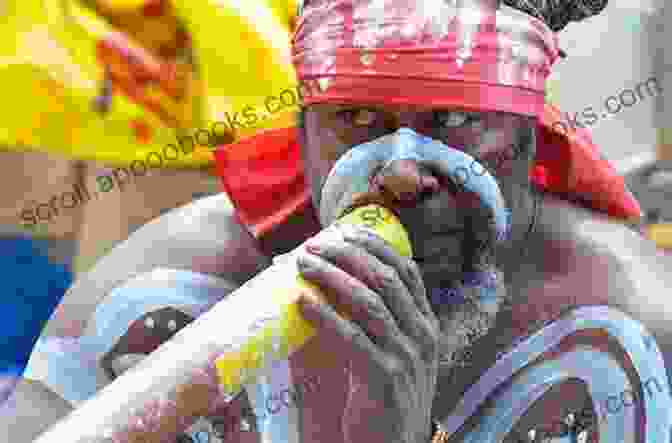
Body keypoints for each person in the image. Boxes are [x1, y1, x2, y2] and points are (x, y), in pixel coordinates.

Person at [19, 0, 672, 442]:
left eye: (454, 121)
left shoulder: (624, 339)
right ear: (302, 132)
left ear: (528, 138)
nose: (402, 171)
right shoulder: (159, 302)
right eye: (358, 121)